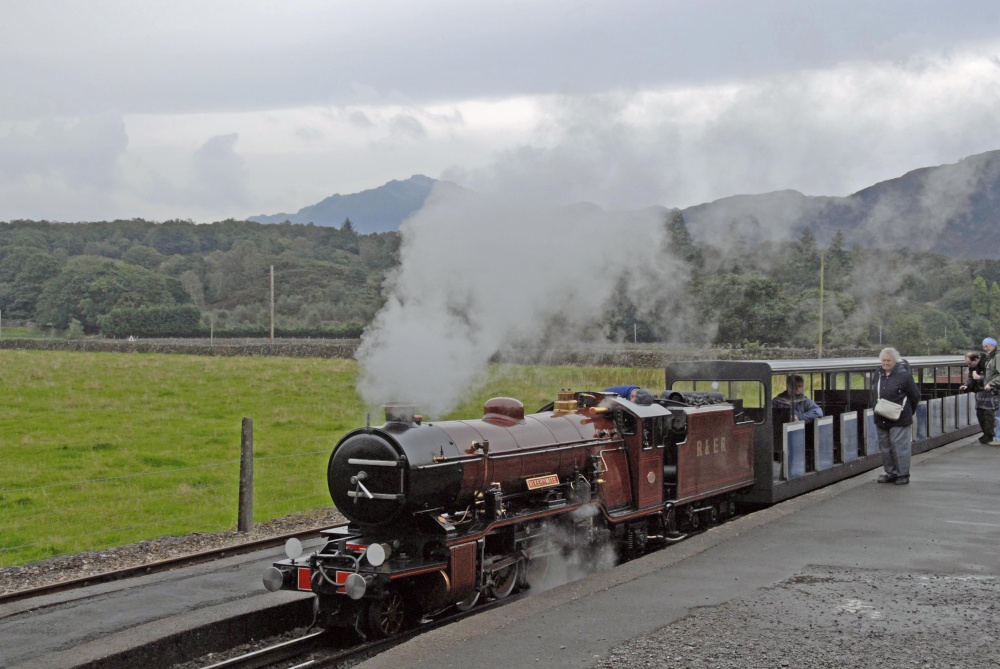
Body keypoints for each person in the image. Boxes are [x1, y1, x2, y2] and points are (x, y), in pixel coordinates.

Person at [873, 347, 922, 485]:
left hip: (900, 417)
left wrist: (907, 412)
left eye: (888, 360)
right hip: (881, 416)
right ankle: (891, 473)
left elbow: (915, 395)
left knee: (900, 447)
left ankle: (903, 474)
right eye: (884, 360)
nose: (885, 363)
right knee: (885, 447)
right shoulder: (878, 374)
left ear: (894, 361)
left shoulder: (904, 375)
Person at [958, 350, 994, 444]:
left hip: (990, 391)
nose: (969, 366)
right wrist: (966, 385)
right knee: (980, 413)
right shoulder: (973, 367)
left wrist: (980, 378)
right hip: (980, 391)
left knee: (988, 413)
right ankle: (986, 434)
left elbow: (993, 377)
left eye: (970, 364)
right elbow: (971, 378)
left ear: (976, 359)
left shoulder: (989, 363)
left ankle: (990, 435)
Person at [980, 337, 1000, 447]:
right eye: (984, 347)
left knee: (998, 416)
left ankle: (999, 438)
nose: (985, 348)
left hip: (997, 390)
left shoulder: (997, 356)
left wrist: (991, 383)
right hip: (995, 390)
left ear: (993, 345)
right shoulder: (992, 357)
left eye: (986, 346)